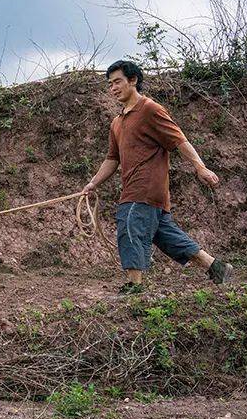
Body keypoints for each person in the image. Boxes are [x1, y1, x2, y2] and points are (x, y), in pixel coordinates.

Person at [82, 60, 234, 289]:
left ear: (133, 81)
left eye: (117, 82)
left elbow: (179, 139)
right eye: (110, 84)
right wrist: (93, 183)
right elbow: (112, 159)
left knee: (130, 225)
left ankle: (134, 285)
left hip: (144, 189)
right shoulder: (117, 122)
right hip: (145, 193)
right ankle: (216, 266)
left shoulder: (150, 109)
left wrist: (200, 167)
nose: (113, 88)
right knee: (166, 235)